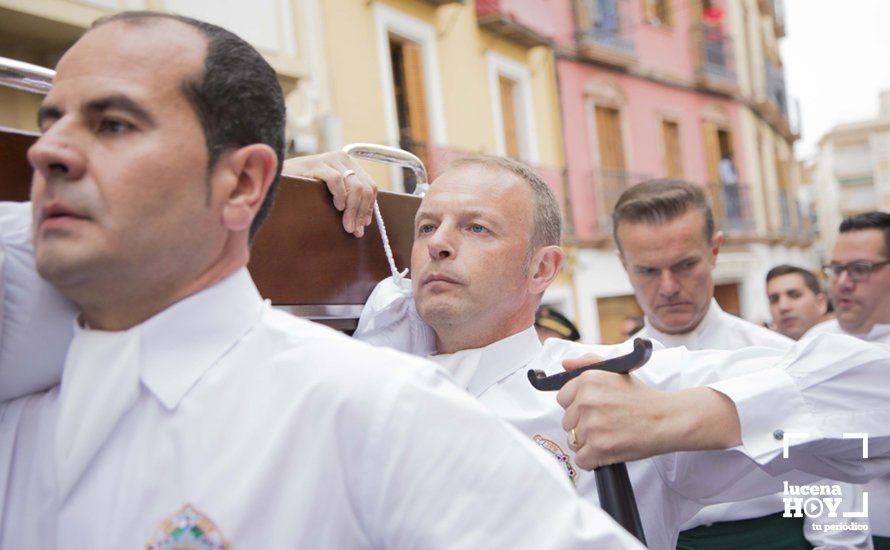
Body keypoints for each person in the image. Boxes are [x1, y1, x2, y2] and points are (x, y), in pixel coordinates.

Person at [0, 12, 648, 548]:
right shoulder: (22, 425)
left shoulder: (371, 412)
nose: (47, 151)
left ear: (243, 184)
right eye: (50, 119)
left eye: (113, 124)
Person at [612, 180, 867, 548]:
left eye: (685, 264)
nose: (668, 287)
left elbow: (834, 483)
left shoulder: (781, 357)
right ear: (624, 265)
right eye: (647, 271)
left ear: (715, 250)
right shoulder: (611, 376)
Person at [766, 264, 829, 340]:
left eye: (795, 296)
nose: (783, 306)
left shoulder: (843, 347)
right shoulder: (761, 349)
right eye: (774, 299)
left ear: (820, 303)